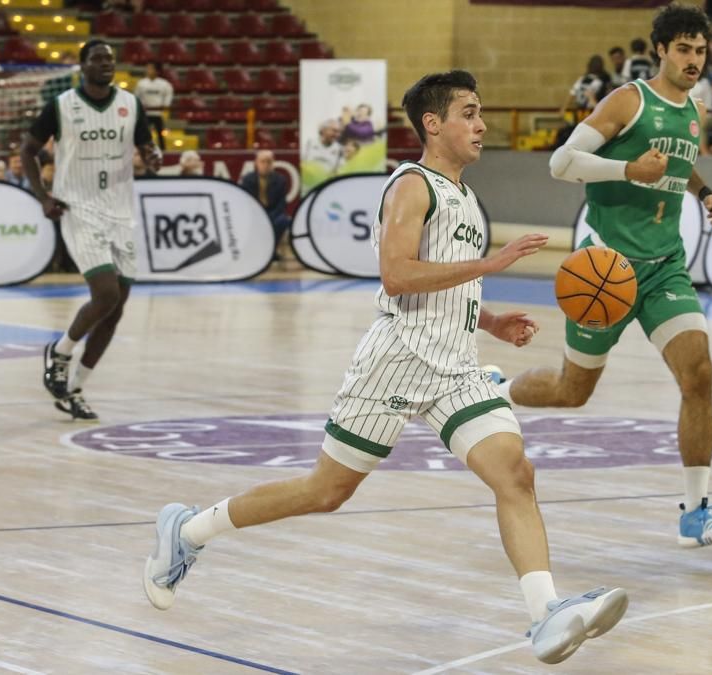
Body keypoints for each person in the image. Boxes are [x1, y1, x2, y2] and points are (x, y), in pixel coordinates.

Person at [142, 70, 628, 665]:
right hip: (396, 362)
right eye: (469, 113)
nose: (482, 125)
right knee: (326, 492)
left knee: (515, 474)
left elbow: (444, 282)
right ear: (433, 123)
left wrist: (490, 321)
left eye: (480, 113)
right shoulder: (412, 186)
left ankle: (545, 612)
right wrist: (492, 263)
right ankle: (189, 531)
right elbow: (397, 276)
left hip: (455, 369)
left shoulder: (465, 196)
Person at [495, 5, 712, 549]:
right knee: (572, 391)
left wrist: (705, 194)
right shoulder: (628, 101)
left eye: (701, 51)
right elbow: (561, 163)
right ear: (661, 50)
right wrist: (628, 169)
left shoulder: (695, 110)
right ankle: (498, 390)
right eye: (683, 49)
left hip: (665, 266)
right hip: (607, 269)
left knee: (699, 373)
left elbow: (678, 165)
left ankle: (695, 513)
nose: (693, 60)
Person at [22, 39, 161, 421]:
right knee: (105, 294)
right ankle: (60, 352)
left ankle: (75, 388)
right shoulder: (61, 105)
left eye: (110, 59)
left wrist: (153, 156)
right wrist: (43, 197)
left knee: (116, 309)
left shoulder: (131, 104)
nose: (105, 64)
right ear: (82, 66)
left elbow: (147, 147)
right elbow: (28, 150)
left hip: (120, 212)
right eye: (98, 59)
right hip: (79, 208)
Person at [238, 149, 291, 250]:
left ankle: (271, 249)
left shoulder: (280, 179)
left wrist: (269, 217)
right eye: (262, 161)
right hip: (254, 213)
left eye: (269, 162)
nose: (266, 165)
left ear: (273, 163)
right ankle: (252, 249)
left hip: (273, 213)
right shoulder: (247, 179)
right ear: (256, 163)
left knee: (283, 220)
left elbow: (282, 204)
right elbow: (246, 203)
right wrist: (260, 216)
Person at [133, 62, 173, 150]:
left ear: (157, 71)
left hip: (158, 113)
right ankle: (143, 148)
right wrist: (140, 106)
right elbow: (137, 96)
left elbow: (168, 94)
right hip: (145, 112)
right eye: (147, 68)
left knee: (160, 132)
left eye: (151, 68)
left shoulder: (164, 84)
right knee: (144, 132)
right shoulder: (141, 83)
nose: (148, 71)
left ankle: (163, 149)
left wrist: (165, 104)